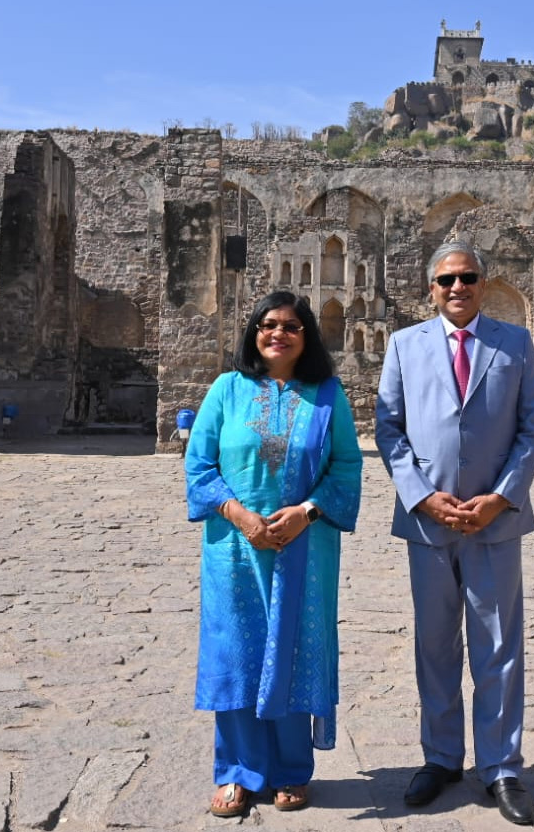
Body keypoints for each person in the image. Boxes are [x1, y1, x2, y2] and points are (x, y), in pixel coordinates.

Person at [375, 241, 534, 825]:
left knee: (498, 646)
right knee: (434, 643)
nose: (457, 288)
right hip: (429, 521)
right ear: (431, 287)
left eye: (468, 277)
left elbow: (531, 432)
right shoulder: (404, 346)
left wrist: (501, 498)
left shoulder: (515, 343)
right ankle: (442, 756)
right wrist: (422, 496)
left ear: (483, 282)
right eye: (446, 279)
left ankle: (500, 767)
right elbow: (389, 429)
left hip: (494, 521)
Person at [185, 291, 362, 817]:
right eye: (266, 325)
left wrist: (304, 512)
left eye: (290, 326)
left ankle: (289, 771)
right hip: (235, 550)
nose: (277, 334)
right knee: (237, 652)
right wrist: (239, 515)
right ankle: (238, 772)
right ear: (253, 333)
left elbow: (347, 467)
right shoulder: (226, 390)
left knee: (294, 648)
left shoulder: (328, 396)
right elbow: (199, 465)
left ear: (307, 335)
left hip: (304, 548)